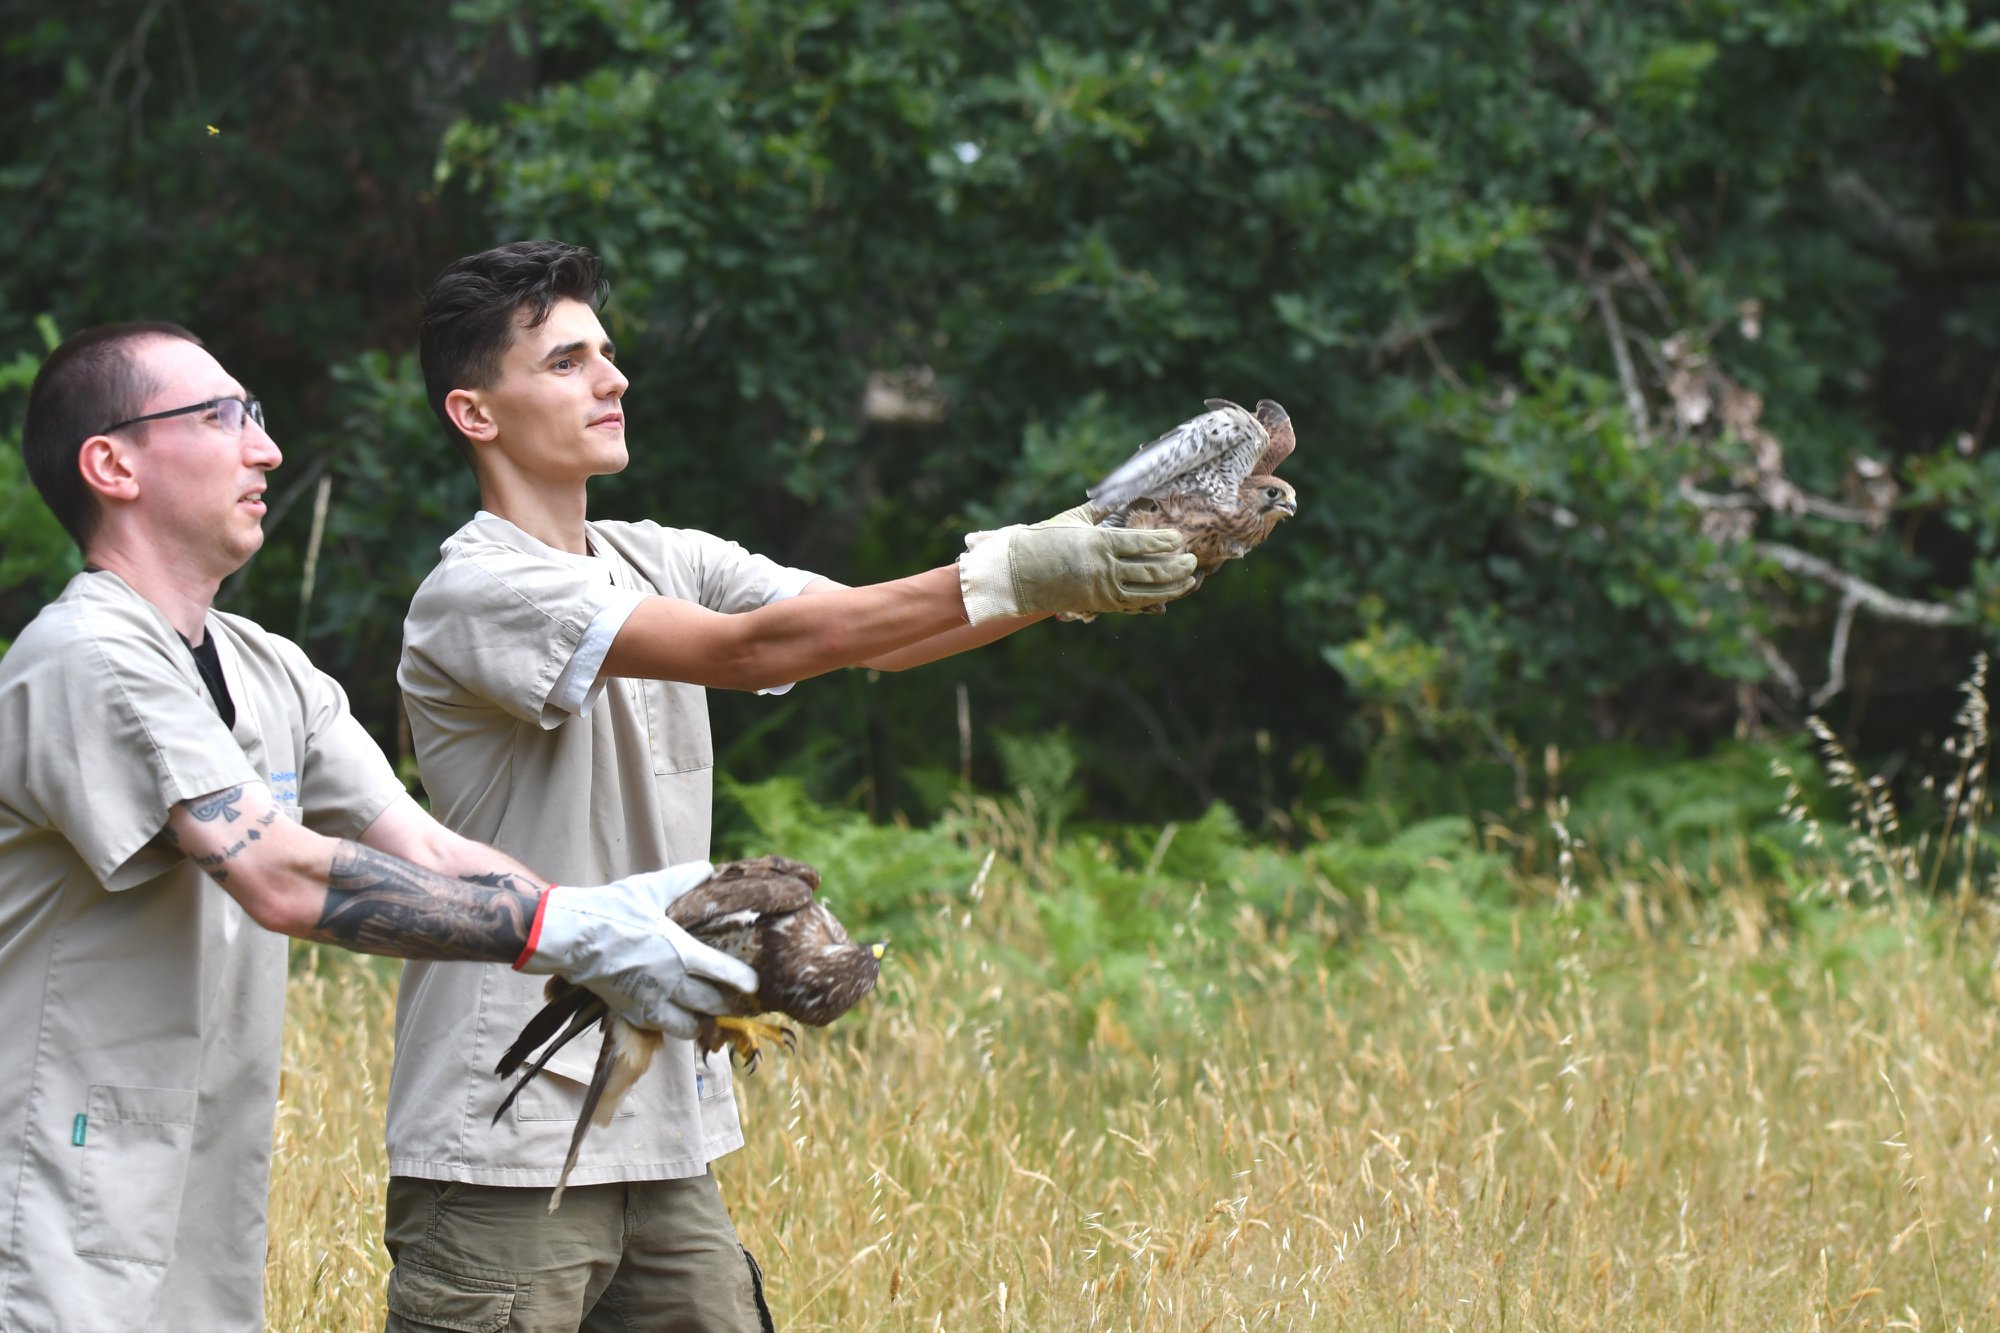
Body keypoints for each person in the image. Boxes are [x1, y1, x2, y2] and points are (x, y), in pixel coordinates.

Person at [380, 240, 1195, 1330]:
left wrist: (1079, 568)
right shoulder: (473, 589)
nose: (613, 379)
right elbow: (748, 653)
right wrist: (1019, 566)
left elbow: (868, 635)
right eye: (568, 361)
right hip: (507, 1131)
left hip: (661, 1124)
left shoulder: (657, 554)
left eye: (607, 353)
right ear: (475, 412)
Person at [0, 322, 765, 1332]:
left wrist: (622, 928)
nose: (263, 448)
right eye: (220, 417)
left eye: (257, 418)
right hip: (53, 1200)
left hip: (187, 1202)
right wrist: (571, 935)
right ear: (112, 463)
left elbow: (428, 847)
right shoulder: (86, 657)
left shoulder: (266, 665)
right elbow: (279, 876)